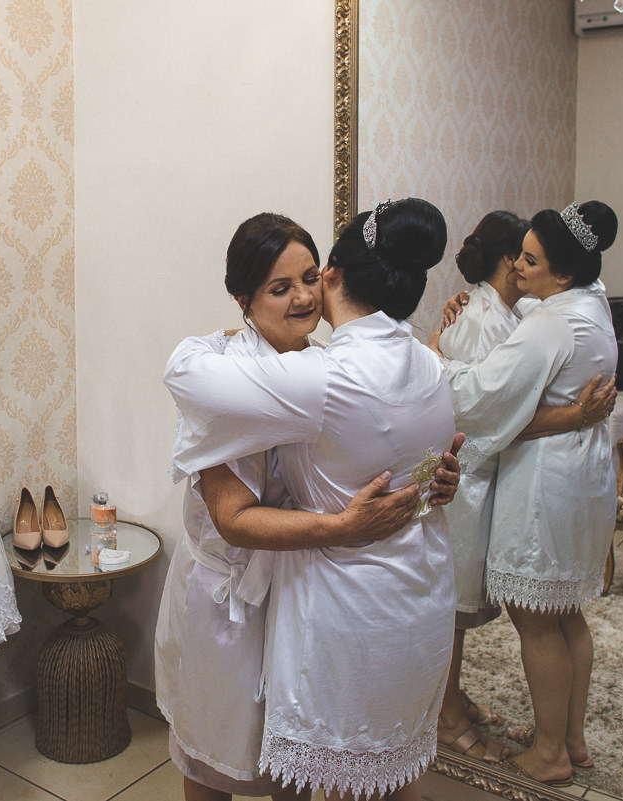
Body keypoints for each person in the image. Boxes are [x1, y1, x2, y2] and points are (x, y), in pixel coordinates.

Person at [156, 213, 461, 801]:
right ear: (244, 299)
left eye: (309, 277)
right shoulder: (235, 379)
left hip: (303, 594)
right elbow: (232, 519)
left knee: (294, 773)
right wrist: (343, 525)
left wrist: (428, 480)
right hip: (233, 603)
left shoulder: (320, 364)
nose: (302, 297)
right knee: (216, 760)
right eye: (279, 287)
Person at [432, 201, 619, 787]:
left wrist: (432, 357)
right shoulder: (591, 301)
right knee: (566, 614)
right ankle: (570, 738)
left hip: (545, 482)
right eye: (518, 256)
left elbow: (481, 398)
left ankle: (549, 753)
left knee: (538, 620)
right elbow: (525, 311)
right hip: (584, 472)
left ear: (563, 274)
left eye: (532, 261)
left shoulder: (550, 324)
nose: (520, 268)